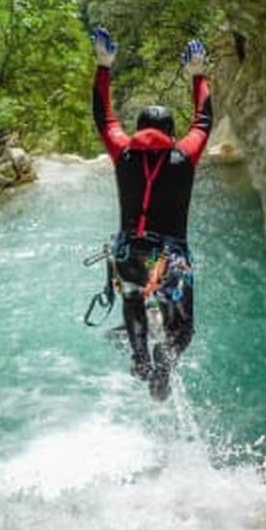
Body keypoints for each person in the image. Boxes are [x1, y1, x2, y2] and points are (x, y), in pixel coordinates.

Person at [91, 27, 213, 400]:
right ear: (170, 132)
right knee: (184, 328)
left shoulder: (123, 153)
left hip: (130, 252)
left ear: (141, 128)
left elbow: (105, 118)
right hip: (170, 256)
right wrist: (198, 74)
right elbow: (204, 120)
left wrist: (103, 66)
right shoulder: (184, 156)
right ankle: (165, 358)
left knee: (132, 300)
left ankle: (141, 356)